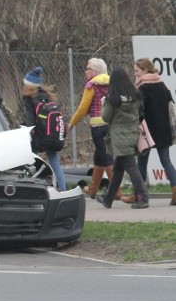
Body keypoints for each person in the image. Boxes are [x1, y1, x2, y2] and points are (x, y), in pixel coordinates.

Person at [124, 58, 176, 205]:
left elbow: (138, 110)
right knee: (166, 161)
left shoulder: (142, 88)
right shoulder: (161, 84)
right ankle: (175, 192)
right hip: (164, 129)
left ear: (145, 70)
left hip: (146, 132)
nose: (135, 74)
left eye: (137, 71)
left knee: (141, 163)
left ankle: (139, 195)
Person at [96, 67, 148, 209]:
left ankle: (143, 197)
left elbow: (105, 117)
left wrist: (103, 105)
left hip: (119, 137)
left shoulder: (113, 99)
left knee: (131, 168)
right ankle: (108, 198)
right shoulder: (135, 96)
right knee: (118, 169)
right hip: (132, 134)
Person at [68, 58, 116, 200]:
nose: (85, 71)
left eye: (88, 68)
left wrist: (72, 123)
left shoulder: (91, 85)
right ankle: (93, 190)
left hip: (97, 126)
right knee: (99, 156)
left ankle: (115, 191)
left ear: (95, 71)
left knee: (106, 157)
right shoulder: (112, 84)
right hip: (109, 124)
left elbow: (83, 108)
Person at [20, 66, 67, 191]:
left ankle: (31, 189)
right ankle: (63, 190)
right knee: (55, 163)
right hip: (51, 135)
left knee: (31, 161)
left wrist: (26, 131)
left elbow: (31, 119)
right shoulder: (47, 95)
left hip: (39, 137)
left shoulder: (29, 98)